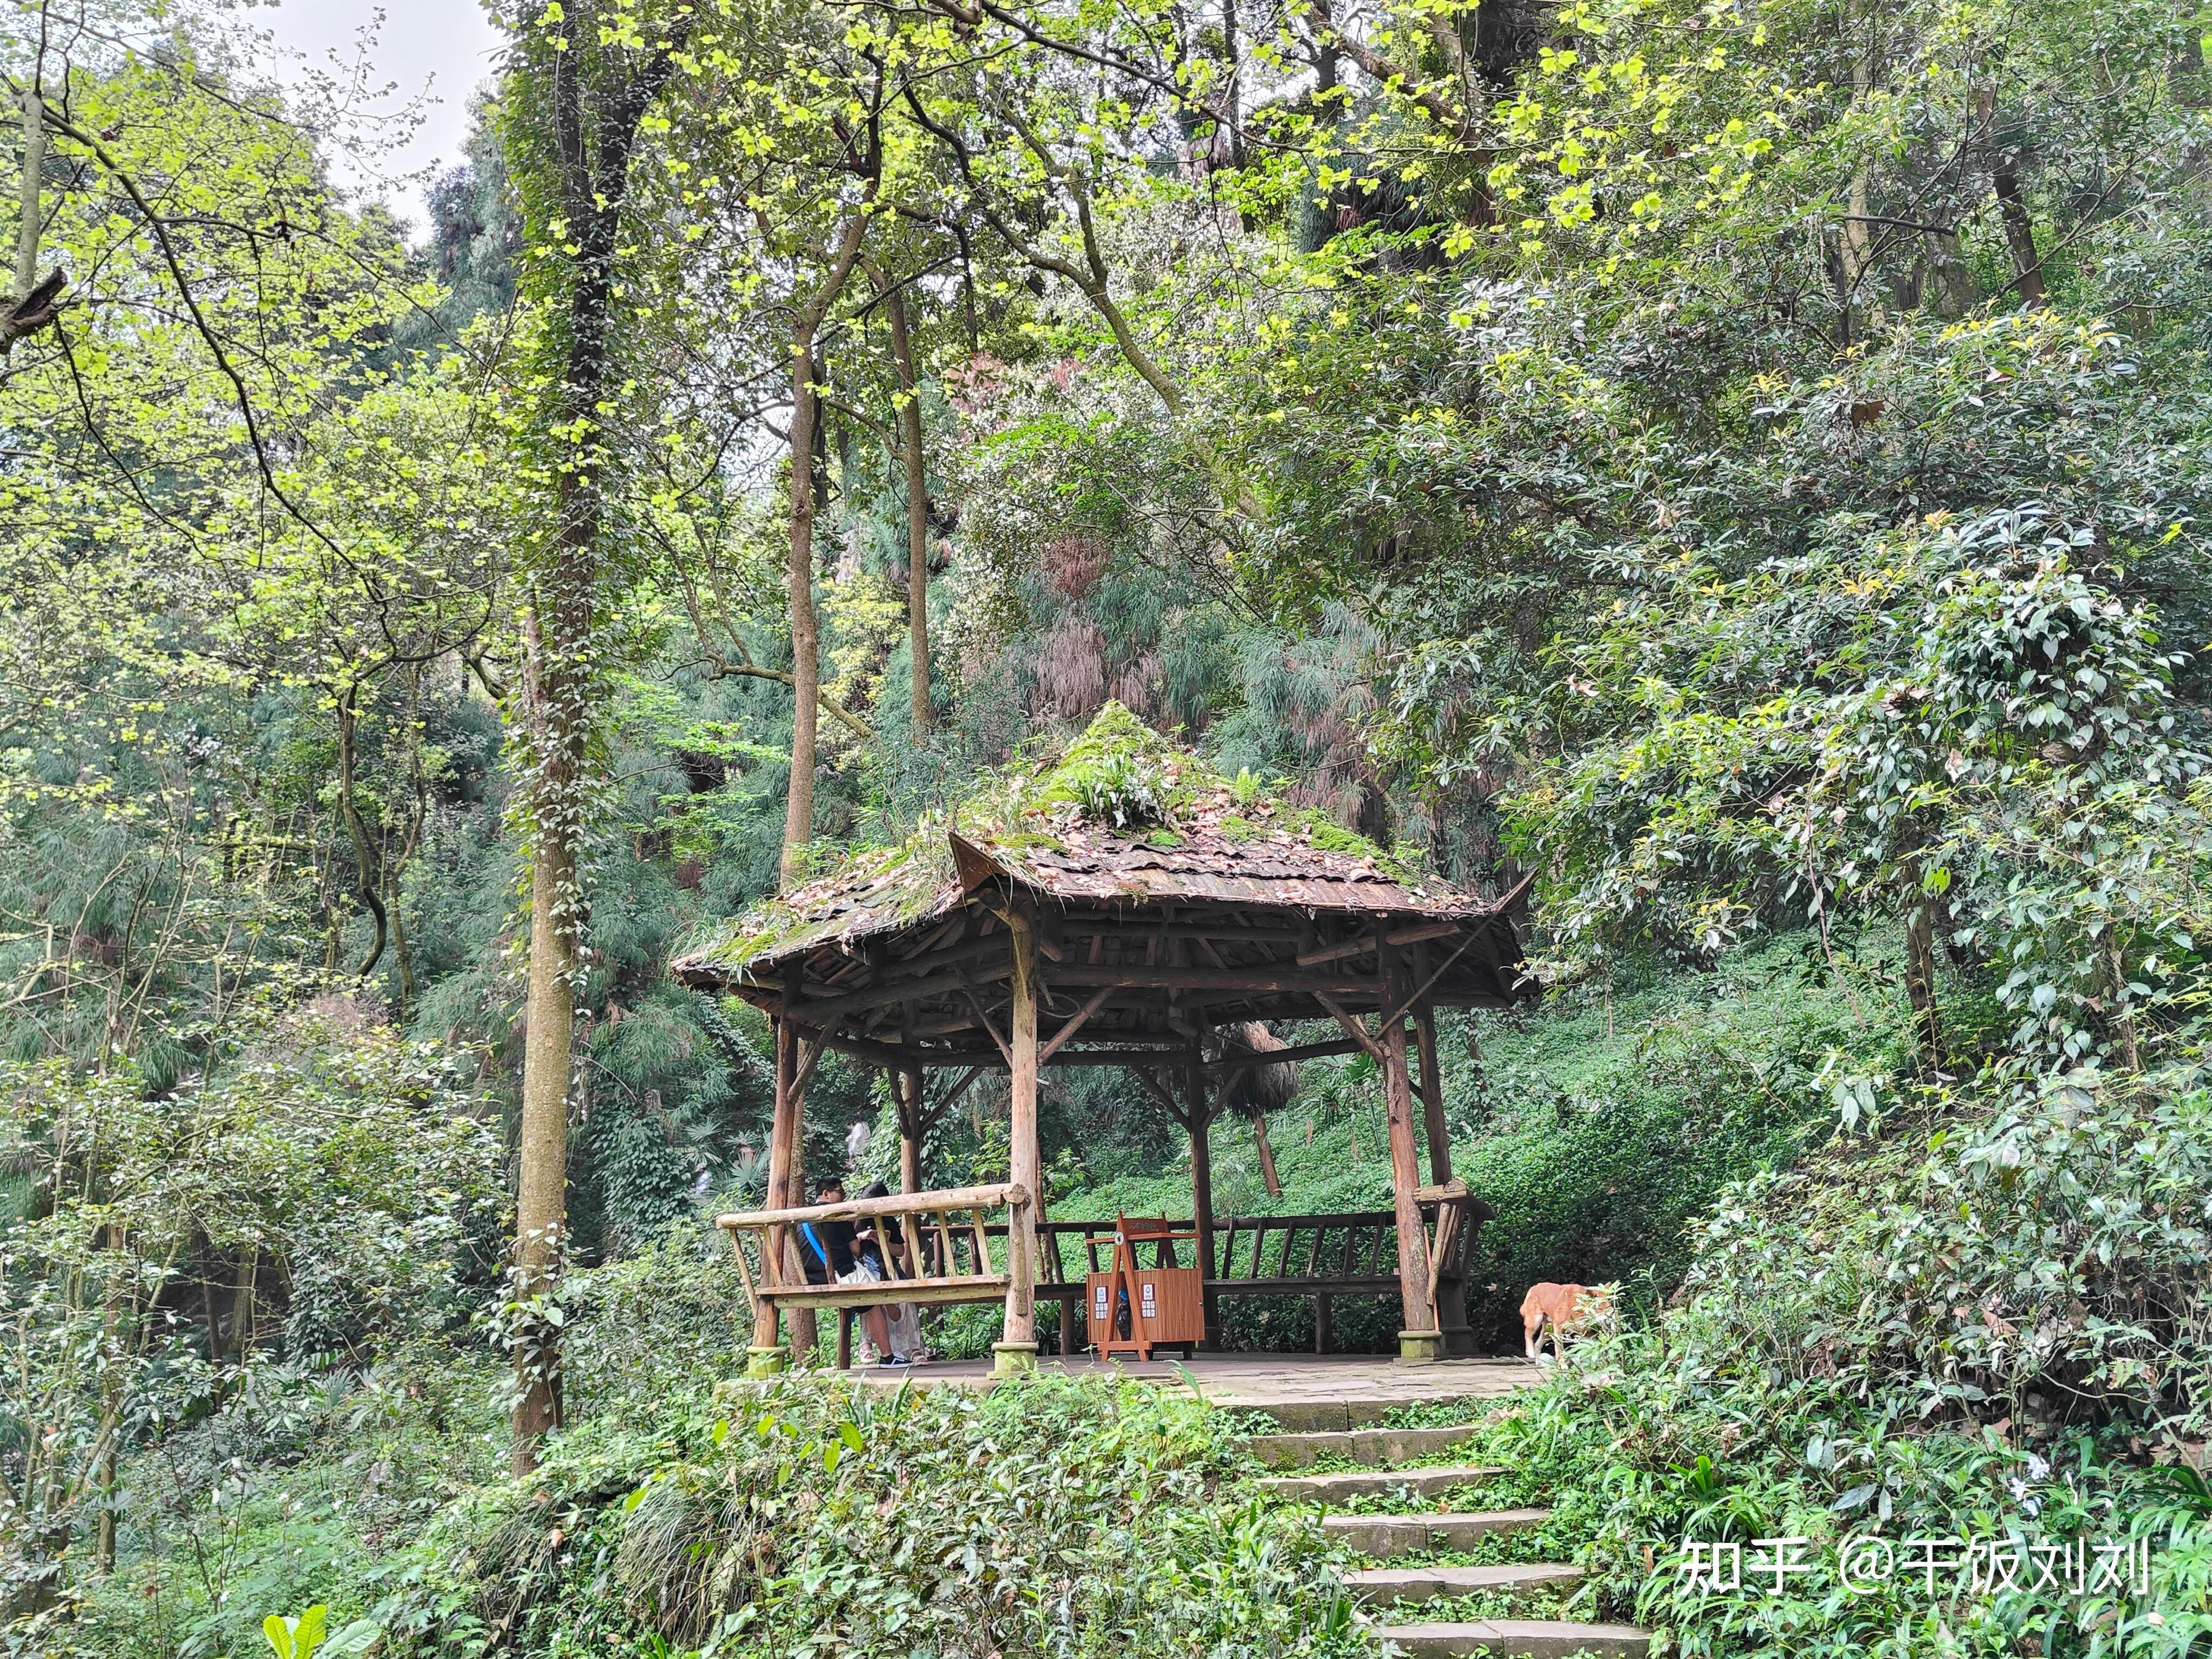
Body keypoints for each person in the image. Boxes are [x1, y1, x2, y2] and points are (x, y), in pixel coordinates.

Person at [808, 1177, 903, 1365]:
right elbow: (856, 1250)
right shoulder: (837, 1216)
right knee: (873, 1299)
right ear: (826, 1194)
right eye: (840, 1193)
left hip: (814, 1279)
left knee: (868, 1290)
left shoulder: (803, 1218)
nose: (843, 1198)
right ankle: (887, 1356)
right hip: (841, 1276)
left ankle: (869, 1341)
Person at [857, 1180, 925, 1365]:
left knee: (905, 1298)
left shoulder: (889, 1221)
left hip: (891, 1270)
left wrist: (883, 1243)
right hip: (864, 1272)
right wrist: (861, 1237)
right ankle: (866, 1344)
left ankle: (914, 1349)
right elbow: (851, 1250)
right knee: (868, 1299)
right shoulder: (856, 1220)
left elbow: (900, 1251)